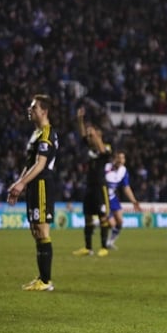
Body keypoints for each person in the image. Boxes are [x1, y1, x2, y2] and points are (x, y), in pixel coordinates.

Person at [8, 94, 59, 291]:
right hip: (32, 185)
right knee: (35, 231)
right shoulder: (36, 133)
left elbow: (40, 165)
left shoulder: (47, 134)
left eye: (33, 108)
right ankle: (41, 278)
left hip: (42, 185)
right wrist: (19, 184)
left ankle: (46, 281)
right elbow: (29, 164)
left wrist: (21, 184)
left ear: (44, 111)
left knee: (42, 230)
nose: (30, 110)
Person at [72, 106, 114, 257]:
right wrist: (80, 120)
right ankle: (88, 248)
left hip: (100, 187)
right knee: (88, 216)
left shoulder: (106, 149)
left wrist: (95, 134)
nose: (90, 138)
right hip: (89, 186)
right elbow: (83, 135)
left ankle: (104, 247)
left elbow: (102, 150)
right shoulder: (89, 149)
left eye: (93, 136)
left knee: (102, 216)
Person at [104, 151, 142, 249]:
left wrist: (134, 201)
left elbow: (126, 188)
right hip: (102, 197)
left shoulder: (123, 171)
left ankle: (110, 242)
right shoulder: (106, 167)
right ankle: (96, 223)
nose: (121, 160)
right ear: (114, 158)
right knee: (111, 223)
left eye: (123, 158)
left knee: (120, 221)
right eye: (119, 158)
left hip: (112, 197)